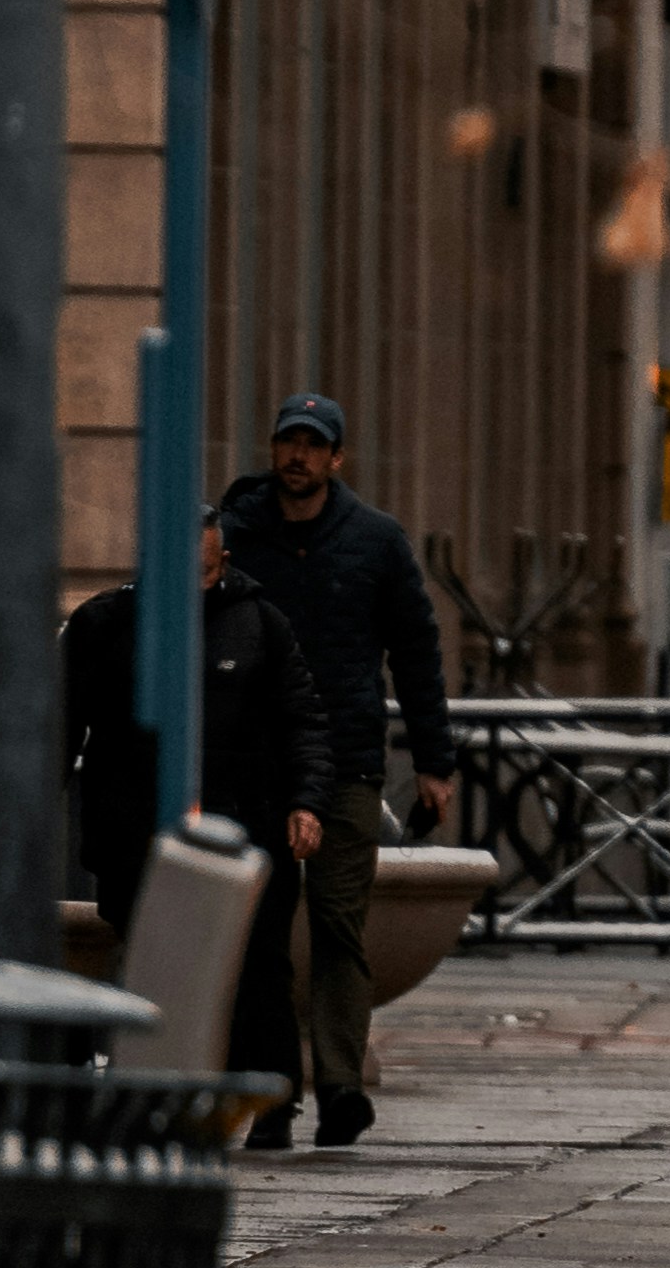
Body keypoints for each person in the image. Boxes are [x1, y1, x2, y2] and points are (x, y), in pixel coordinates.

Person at [210, 390, 456, 1149]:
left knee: (340, 926)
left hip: (349, 760)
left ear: (337, 457)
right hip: (259, 765)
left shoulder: (375, 541)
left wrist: (434, 760)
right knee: (262, 937)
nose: (299, 456)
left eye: (315, 445)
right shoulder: (240, 535)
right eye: (289, 441)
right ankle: (275, 1092)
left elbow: (415, 651)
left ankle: (340, 1086)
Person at [61, 537, 319, 1095]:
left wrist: (305, 802)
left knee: (259, 965)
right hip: (136, 825)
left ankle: (268, 1099)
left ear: (222, 563)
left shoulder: (258, 624)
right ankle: (162, 1088)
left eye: (202, 569)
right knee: (153, 957)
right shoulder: (105, 624)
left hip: (248, 818)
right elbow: (62, 723)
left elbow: (299, 721)